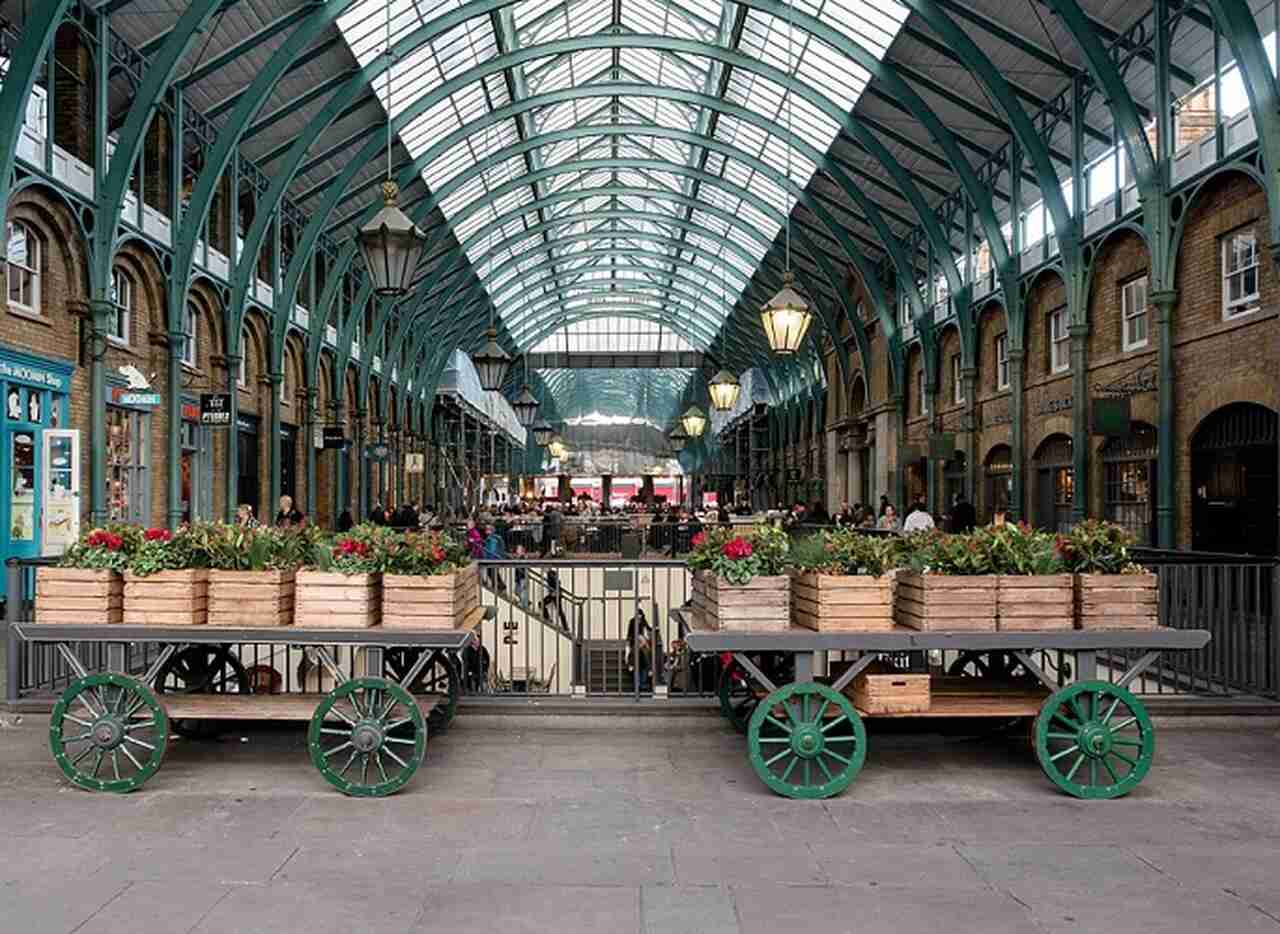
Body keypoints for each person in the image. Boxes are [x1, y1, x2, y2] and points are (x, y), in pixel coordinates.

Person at [541, 566, 568, 631]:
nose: (543, 570)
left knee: (559, 611)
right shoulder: (551, 573)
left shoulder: (550, 574)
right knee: (542, 604)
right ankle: (565, 627)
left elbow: (557, 583)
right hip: (554, 594)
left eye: (544, 568)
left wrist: (555, 591)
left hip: (556, 595)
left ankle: (565, 627)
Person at [482, 524, 505, 592]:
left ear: (491, 530)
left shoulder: (493, 538)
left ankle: (496, 586)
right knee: (492, 573)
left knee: (492, 573)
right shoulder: (490, 538)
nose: (486, 531)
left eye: (487, 529)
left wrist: (489, 558)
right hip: (493, 559)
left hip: (493, 559)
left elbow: (492, 550)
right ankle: (501, 585)